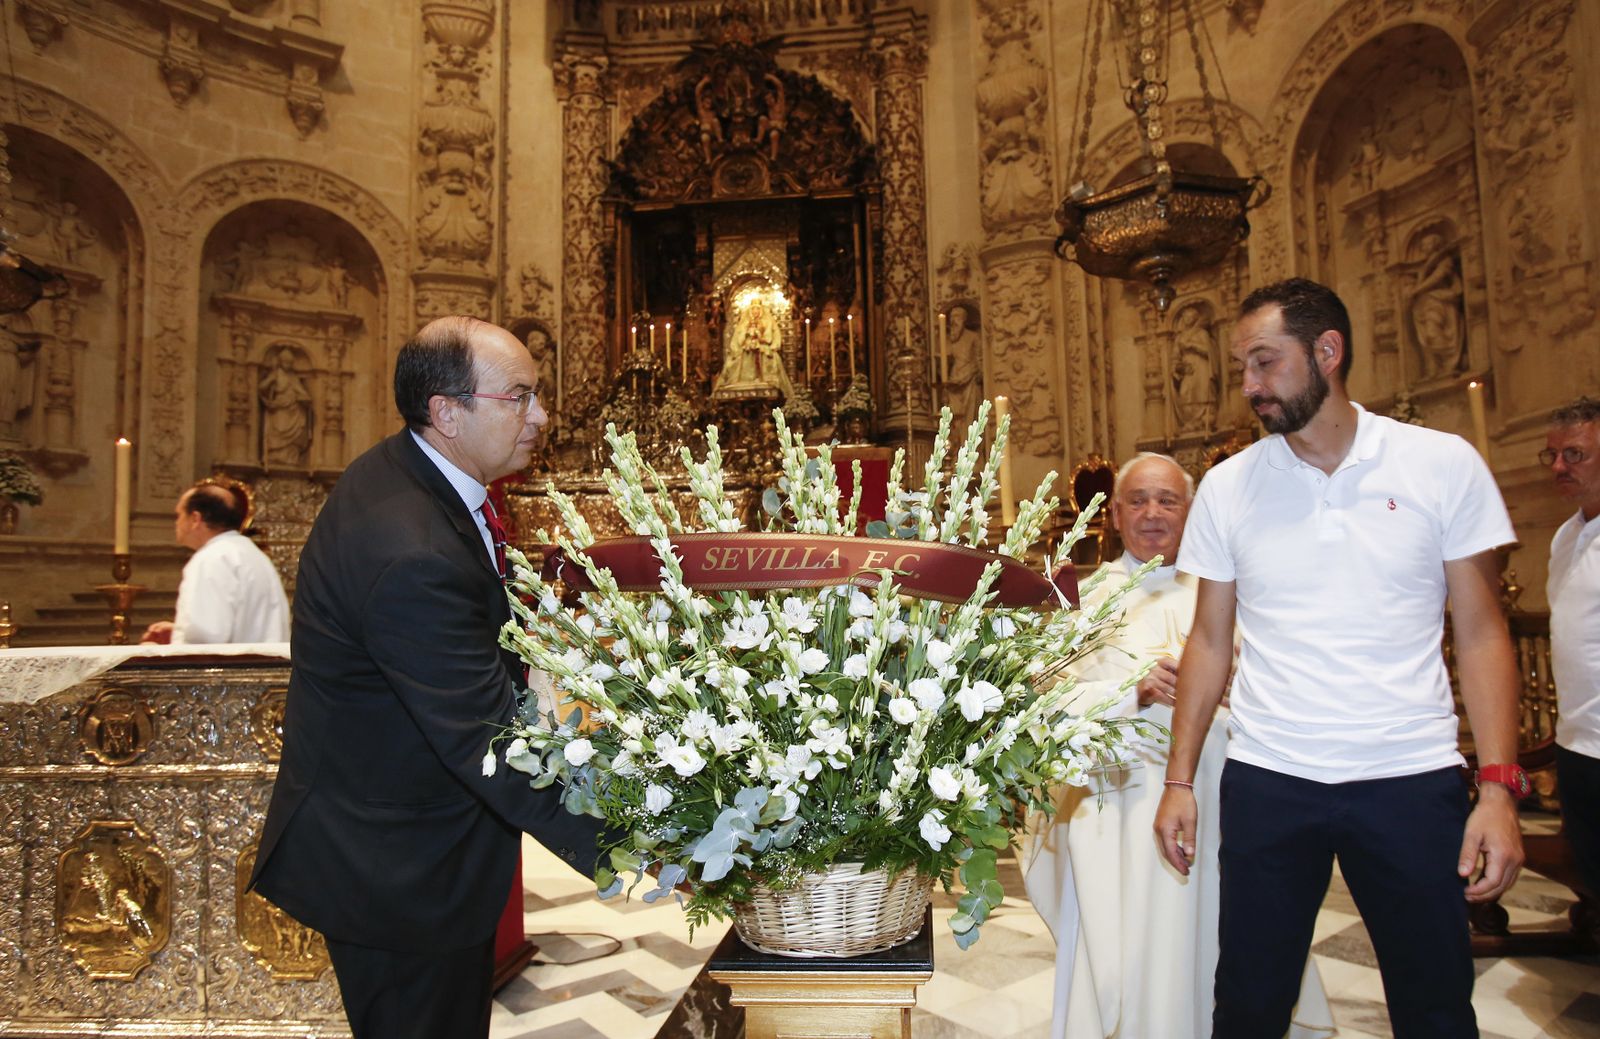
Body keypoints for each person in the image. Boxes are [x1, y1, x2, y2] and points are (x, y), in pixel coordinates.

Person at [1154, 277, 1525, 1037]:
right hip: (1271, 777)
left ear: (1328, 351)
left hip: (1409, 776)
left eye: (1265, 362)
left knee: (1435, 1006)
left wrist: (1497, 788)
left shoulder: (1440, 463)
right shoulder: (1228, 488)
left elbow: (1484, 631)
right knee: (1249, 1005)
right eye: (1241, 368)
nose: (1249, 386)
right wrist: (1180, 777)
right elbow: (1209, 640)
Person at [250, 316, 603, 1039]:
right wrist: (643, 842)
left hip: (412, 849)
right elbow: (483, 739)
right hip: (396, 875)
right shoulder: (408, 546)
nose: (541, 416)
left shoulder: (410, 474)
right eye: (519, 397)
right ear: (447, 411)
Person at [1023, 453, 1332, 1039]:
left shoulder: (1234, 594)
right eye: (1137, 500)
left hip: (1225, 799)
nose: (1152, 513)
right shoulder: (1082, 601)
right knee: (1135, 952)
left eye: (1167, 500)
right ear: (1113, 515)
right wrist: (1130, 692)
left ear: (1192, 510)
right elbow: (1045, 710)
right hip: (1120, 809)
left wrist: (1237, 678)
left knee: (1231, 937)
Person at [1547, 396, 1600, 900]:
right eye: (1554, 455)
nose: (1560, 466)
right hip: (1577, 745)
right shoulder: (1566, 537)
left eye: (1576, 454)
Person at [140, 481, 288, 645]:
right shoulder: (252, 554)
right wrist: (178, 632)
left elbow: (205, 639)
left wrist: (155, 654)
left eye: (179, 515)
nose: (176, 523)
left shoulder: (211, 558)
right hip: (262, 666)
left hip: (230, 669)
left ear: (195, 519)